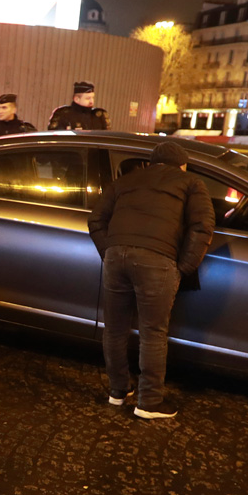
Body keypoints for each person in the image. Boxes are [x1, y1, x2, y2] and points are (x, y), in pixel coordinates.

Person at [87, 141, 214, 420]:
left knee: (115, 329)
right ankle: (149, 402)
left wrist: (109, 251)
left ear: (152, 163)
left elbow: (96, 219)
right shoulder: (191, 182)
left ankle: (118, 392)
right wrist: (183, 267)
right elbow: (203, 225)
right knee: (152, 332)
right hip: (157, 259)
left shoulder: (126, 180)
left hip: (116, 257)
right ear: (182, 165)